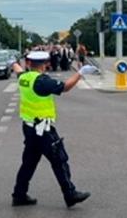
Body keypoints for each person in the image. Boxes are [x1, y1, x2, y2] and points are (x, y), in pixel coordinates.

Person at [11, 50, 97, 208]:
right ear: (45, 65)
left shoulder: (24, 78)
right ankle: (70, 194)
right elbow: (65, 87)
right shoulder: (42, 81)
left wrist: (13, 62)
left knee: (28, 163)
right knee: (59, 160)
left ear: (29, 63)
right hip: (43, 129)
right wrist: (80, 73)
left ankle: (19, 195)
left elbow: (17, 69)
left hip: (29, 128)